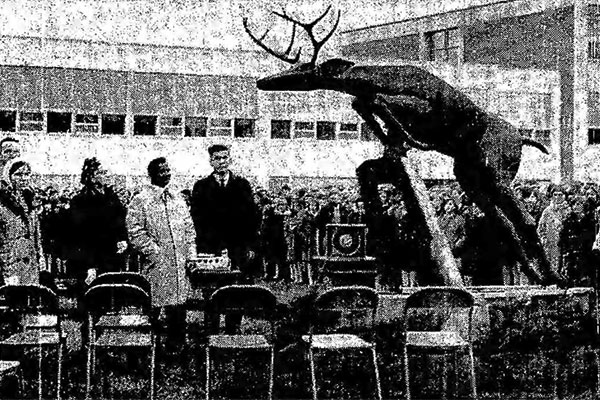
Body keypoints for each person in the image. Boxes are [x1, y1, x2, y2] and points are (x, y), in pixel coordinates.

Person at [127, 157, 196, 352]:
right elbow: (135, 231)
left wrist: (190, 256)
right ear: (152, 175)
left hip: (179, 264)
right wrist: (154, 252)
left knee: (178, 309)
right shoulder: (141, 199)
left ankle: (176, 348)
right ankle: (145, 348)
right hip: (156, 265)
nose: (166, 174)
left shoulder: (178, 199)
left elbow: (189, 230)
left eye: (168, 170)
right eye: (161, 171)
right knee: (152, 308)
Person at [190, 144, 259, 281]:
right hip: (211, 250)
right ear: (211, 161)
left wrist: (251, 245)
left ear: (230, 159)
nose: (221, 162)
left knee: (240, 288)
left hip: (238, 247)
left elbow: (252, 218)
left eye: (224, 157)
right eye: (217, 158)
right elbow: (197, 219)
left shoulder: (242, 185)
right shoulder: (201, 187)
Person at [64, 158, 128, 285]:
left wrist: (123, 239)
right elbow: (79, 236)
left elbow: (121, 223)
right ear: (92, 177)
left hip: (112, 257)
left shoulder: (112, 198)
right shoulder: (80, 201)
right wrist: (89, 265)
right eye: (102, 172)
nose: (107, 175)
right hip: (90, 261)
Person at [0, 159, 43, 285]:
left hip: (31, 263)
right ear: (8, 176)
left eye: (27, 174)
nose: (23, 178)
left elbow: (36, 234)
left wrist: (40, 256)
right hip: (9, 263)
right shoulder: (3, 203)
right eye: (18, 174)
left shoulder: (31, 201)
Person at [537, 185, 571, 277]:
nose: (557, 197)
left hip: (564, 243)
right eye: (555, 195)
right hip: (550, 244)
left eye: (560, 195)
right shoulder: (547, 211)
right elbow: (540, 228)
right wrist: (543, 240)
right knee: (550, 266)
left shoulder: (568, 210)